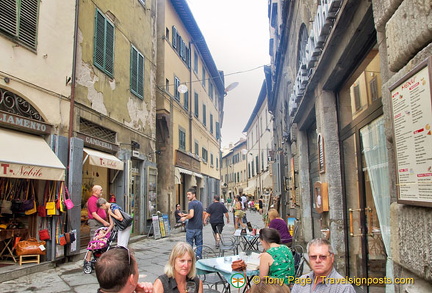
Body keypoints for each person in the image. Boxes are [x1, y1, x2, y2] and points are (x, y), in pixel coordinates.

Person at [291, 238, 356, 292]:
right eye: (313, 257)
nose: (317, 260)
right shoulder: (300, 282)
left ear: (332, 257)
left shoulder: (343, 288)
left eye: (323, 257)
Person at [179, 188, 204, 259]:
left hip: (191, 228)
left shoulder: (191, 204)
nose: (187, 196)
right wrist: (185, 214)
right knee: (199, 244)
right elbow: (198, 214)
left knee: (189, 245)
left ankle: (190, 258)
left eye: (189, 194)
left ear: (194, 195)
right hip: (199, 227)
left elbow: (191, 215)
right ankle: (198, 257)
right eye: (187, 194)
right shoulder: (200, 203)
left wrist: (184, 218)